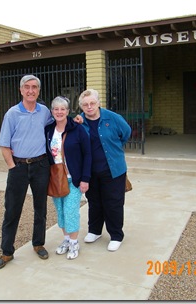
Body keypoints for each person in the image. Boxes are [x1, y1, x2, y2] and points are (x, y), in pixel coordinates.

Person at [0, 75, 53, 270]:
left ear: (38, 90)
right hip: (18, 167)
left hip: (41, 165)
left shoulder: (44, 111)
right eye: (27, 87)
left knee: (40, 208)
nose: (30, 90)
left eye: (34, 87)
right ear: (21, 90)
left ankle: (38, 244)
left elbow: (58, 123)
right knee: (12, 209)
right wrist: (12, 166)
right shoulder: (12, 114)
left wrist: (75, 120)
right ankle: (7, 252)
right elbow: (4, 144)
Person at [78, 89, 131, 252]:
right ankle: (94, 231)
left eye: (92, 103)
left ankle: (116, 235)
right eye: (85, 105)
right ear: (81, 106)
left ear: (98, 103)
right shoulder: (79, 122)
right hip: (91, 172)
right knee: (94, 202)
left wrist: (114, 148)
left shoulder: (113, 118)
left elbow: (126, 133)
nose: (89, 107)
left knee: (113, 203)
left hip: (113, 169)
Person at [45, 96, 92, 260]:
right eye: (56, 109)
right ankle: (66, 240)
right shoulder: (48, 130)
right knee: (61, 212)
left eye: (62, 109)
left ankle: (74, 242)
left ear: (68, 111)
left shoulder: (77, 129)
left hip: (74, 178)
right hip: (56, 179)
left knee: (70, 211)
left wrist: (86, 178)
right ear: (52, 112)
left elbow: (88, 154)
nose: (59, 112)